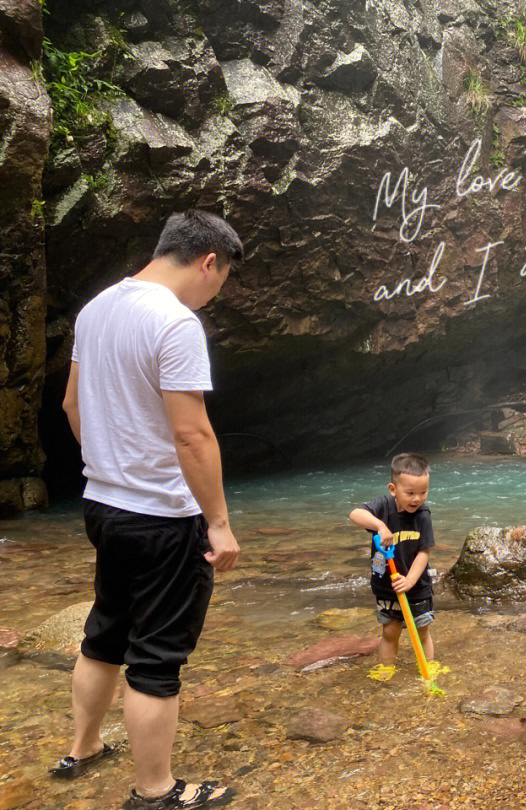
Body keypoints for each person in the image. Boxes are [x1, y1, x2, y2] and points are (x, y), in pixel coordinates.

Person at [56, 210, 243, 809]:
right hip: (164, 517)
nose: (214, 295)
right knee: (158, 656)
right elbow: (193, 436)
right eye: (221, 280)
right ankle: (156, 791)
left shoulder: (96, 308)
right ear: (208, 261)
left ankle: (81, 750)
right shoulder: (175, 322)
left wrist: (111, 465)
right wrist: (217, 522)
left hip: (103, 505)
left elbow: (70, 406)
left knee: (105, 632)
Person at [349, 452, 437, 678]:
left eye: (423, 492)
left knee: (422, 630)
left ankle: (429, 668)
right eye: (410, 493)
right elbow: (355, 514)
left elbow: (423, 553)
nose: (417, 499)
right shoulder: (383, 507)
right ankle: (387, 669)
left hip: (416, 587)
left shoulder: (423, 516)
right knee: (390, 631)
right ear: (393, 489)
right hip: (387, 587)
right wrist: (379, 525)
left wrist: (410, 581)